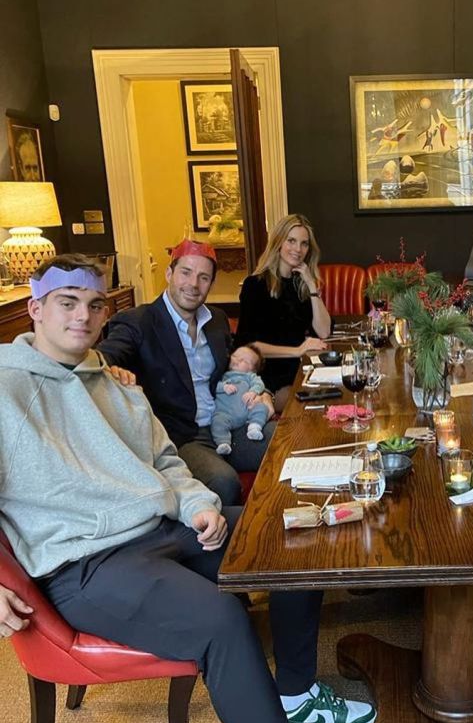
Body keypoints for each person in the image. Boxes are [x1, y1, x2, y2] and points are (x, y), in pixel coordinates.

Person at [0, 254, 387, 723]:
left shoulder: (113, 384)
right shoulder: (5, 384)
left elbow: (166, 462)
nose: (82, 315)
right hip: (85, 565)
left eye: (94, 304)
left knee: (291, 540)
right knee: (221, 619)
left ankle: (296, 692)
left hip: (160, 527)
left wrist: (198, 504)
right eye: (66, 302)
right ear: (36, 308)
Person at [98, 239, 275, 506]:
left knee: (287, 440)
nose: (193, 284)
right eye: (186, 272)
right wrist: (109, 368)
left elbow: (235, 367)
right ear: (169, 274)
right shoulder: (138, 322)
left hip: (227, 421)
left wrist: (263, 394)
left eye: (203, 277)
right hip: (182, 438)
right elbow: (103, 356)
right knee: (224, 482)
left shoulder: (216, 320)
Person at [234, 214, 331, 412]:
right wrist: (297, 350)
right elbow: (250, 344)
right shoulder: (255, 285)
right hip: (267, 377)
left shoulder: (300, 285)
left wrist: (312, 285)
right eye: (291, 241)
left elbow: (324, 331)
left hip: (299, 370)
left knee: (335, 395)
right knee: (315, 405)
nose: (298, 249)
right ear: (278, 242)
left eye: (304, 244)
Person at [212, 345, 271, 453]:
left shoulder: (249, 376)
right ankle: (223, 442)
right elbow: (212, 386)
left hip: (247, 409)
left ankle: (254, 426)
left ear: (252, 370)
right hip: (225, 414)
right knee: (217, 421)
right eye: (235, 356)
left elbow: (259, 383)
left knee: (262, 408)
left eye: (244, 360)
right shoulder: (222, 375)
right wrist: (223, 387)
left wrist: (253, 392)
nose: (237, 360)